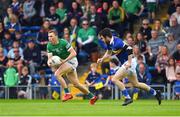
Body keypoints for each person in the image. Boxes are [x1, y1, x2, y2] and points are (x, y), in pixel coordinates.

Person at [97, 28, 161, 106]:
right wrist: (102, 59)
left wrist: (129, 62)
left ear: (106, 36)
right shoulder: (110, 43)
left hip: (128, 62)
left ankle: (127, 97)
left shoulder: (117, 42)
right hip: (128, 63)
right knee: (136, 84)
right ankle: (155, 92)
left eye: (102, 38)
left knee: (114, 79)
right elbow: (109, 52)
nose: (102, 40)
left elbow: (130, 49)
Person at [47, 29, 98, 105]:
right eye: (48, 36)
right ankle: (92, 97)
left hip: (72, 61)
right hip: (65, 63)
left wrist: (64, 60)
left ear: (56, 36)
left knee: (57, 74)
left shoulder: (63, 42)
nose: (49, 38)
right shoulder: (49, 45)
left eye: (51, 36)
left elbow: (74, 53)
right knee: (76, 84)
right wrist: (49, 63)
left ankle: (67, 93)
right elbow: (49, 58)